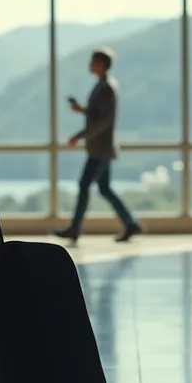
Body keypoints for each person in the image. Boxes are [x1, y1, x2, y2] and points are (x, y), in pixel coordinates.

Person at [53, 48, 143, 244]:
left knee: (85, 185)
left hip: (100, 149)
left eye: (93, 61)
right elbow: (98, 114)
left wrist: (80, 135)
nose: (90, 64)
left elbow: (104, 120)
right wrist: (82, 110)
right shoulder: (102, 86)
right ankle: (130, 222)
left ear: (102, 64)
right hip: (99, 148)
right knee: (104, 188)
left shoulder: (107, 88)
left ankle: (75, 228)